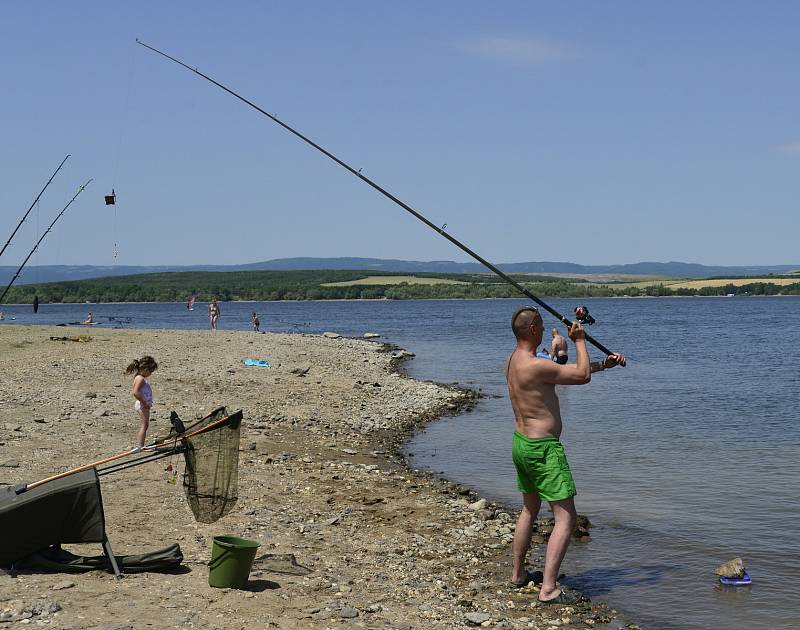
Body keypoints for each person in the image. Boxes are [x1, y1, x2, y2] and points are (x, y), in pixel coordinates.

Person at [506, 306, 625, 603]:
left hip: (522, 444)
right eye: (542, 326)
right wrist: (579, 340)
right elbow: (581, 376)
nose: (546, 330)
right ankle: (548, 589)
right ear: (533, 330)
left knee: (529, 509)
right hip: (543, 450)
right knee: (566, 518)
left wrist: (603, 364)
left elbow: (566, 373)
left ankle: (518, 575)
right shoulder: (535, 365)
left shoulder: (515, 361)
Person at [125, 355, 158, 451]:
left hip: (143, 404)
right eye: (150, 371)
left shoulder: (139, 377)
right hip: (142, 404)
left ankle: (142, 445)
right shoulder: (140, 379)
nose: (150, 374)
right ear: (145, 369)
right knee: (144, 424)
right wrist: (144, 402)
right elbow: (135, 392)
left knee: (145, 424)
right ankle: (141, 446)